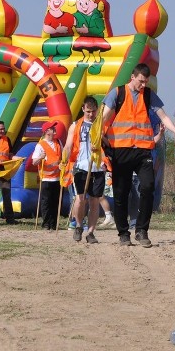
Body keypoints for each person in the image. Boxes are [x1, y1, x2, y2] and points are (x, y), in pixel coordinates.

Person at [101, 63, 175, 247]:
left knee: (148, 186)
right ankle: (123, 233)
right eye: (140, 81)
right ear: (132, 77)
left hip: (144, 150)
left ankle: (141, 230)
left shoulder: (149, 95)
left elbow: (163, 116)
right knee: (121, 192)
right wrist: (98, 136)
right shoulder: (118, 93)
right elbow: (104, 117)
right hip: (121, 150)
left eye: (145, 82)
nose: (143, 85)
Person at [61, 97, 106, 244]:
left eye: (93, 111)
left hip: (97, 167)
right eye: (88, 111)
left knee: (94, 200)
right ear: (83, 109)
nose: (91, 114)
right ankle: (79, 225)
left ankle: (91, 232)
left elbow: (109, 143)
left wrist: (100, 146)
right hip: (81, 166)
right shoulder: (75, 125)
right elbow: (68, 146)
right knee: (80, 198)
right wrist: (64, 160)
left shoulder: (101, 125)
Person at [31, 120, 64, 230]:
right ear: (46, 131)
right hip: (46, 178)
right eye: (52, 128)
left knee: (56, 202)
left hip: (58, 178)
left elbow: (63, 157)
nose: (55, 130)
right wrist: (41, 157)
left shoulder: (58, 142)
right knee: (46, 202)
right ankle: (46, 224)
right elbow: (34, 162)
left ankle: (53, 224)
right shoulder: (40, 145)